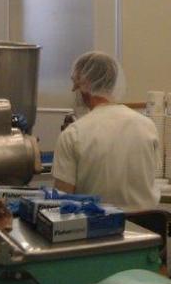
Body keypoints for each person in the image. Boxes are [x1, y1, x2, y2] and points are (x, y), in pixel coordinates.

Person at [53, 51, 160, 211]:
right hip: (147, 229)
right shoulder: (146, 125)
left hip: (98, 230)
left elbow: (62, 200)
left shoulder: (74, 134)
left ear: (82, 86)